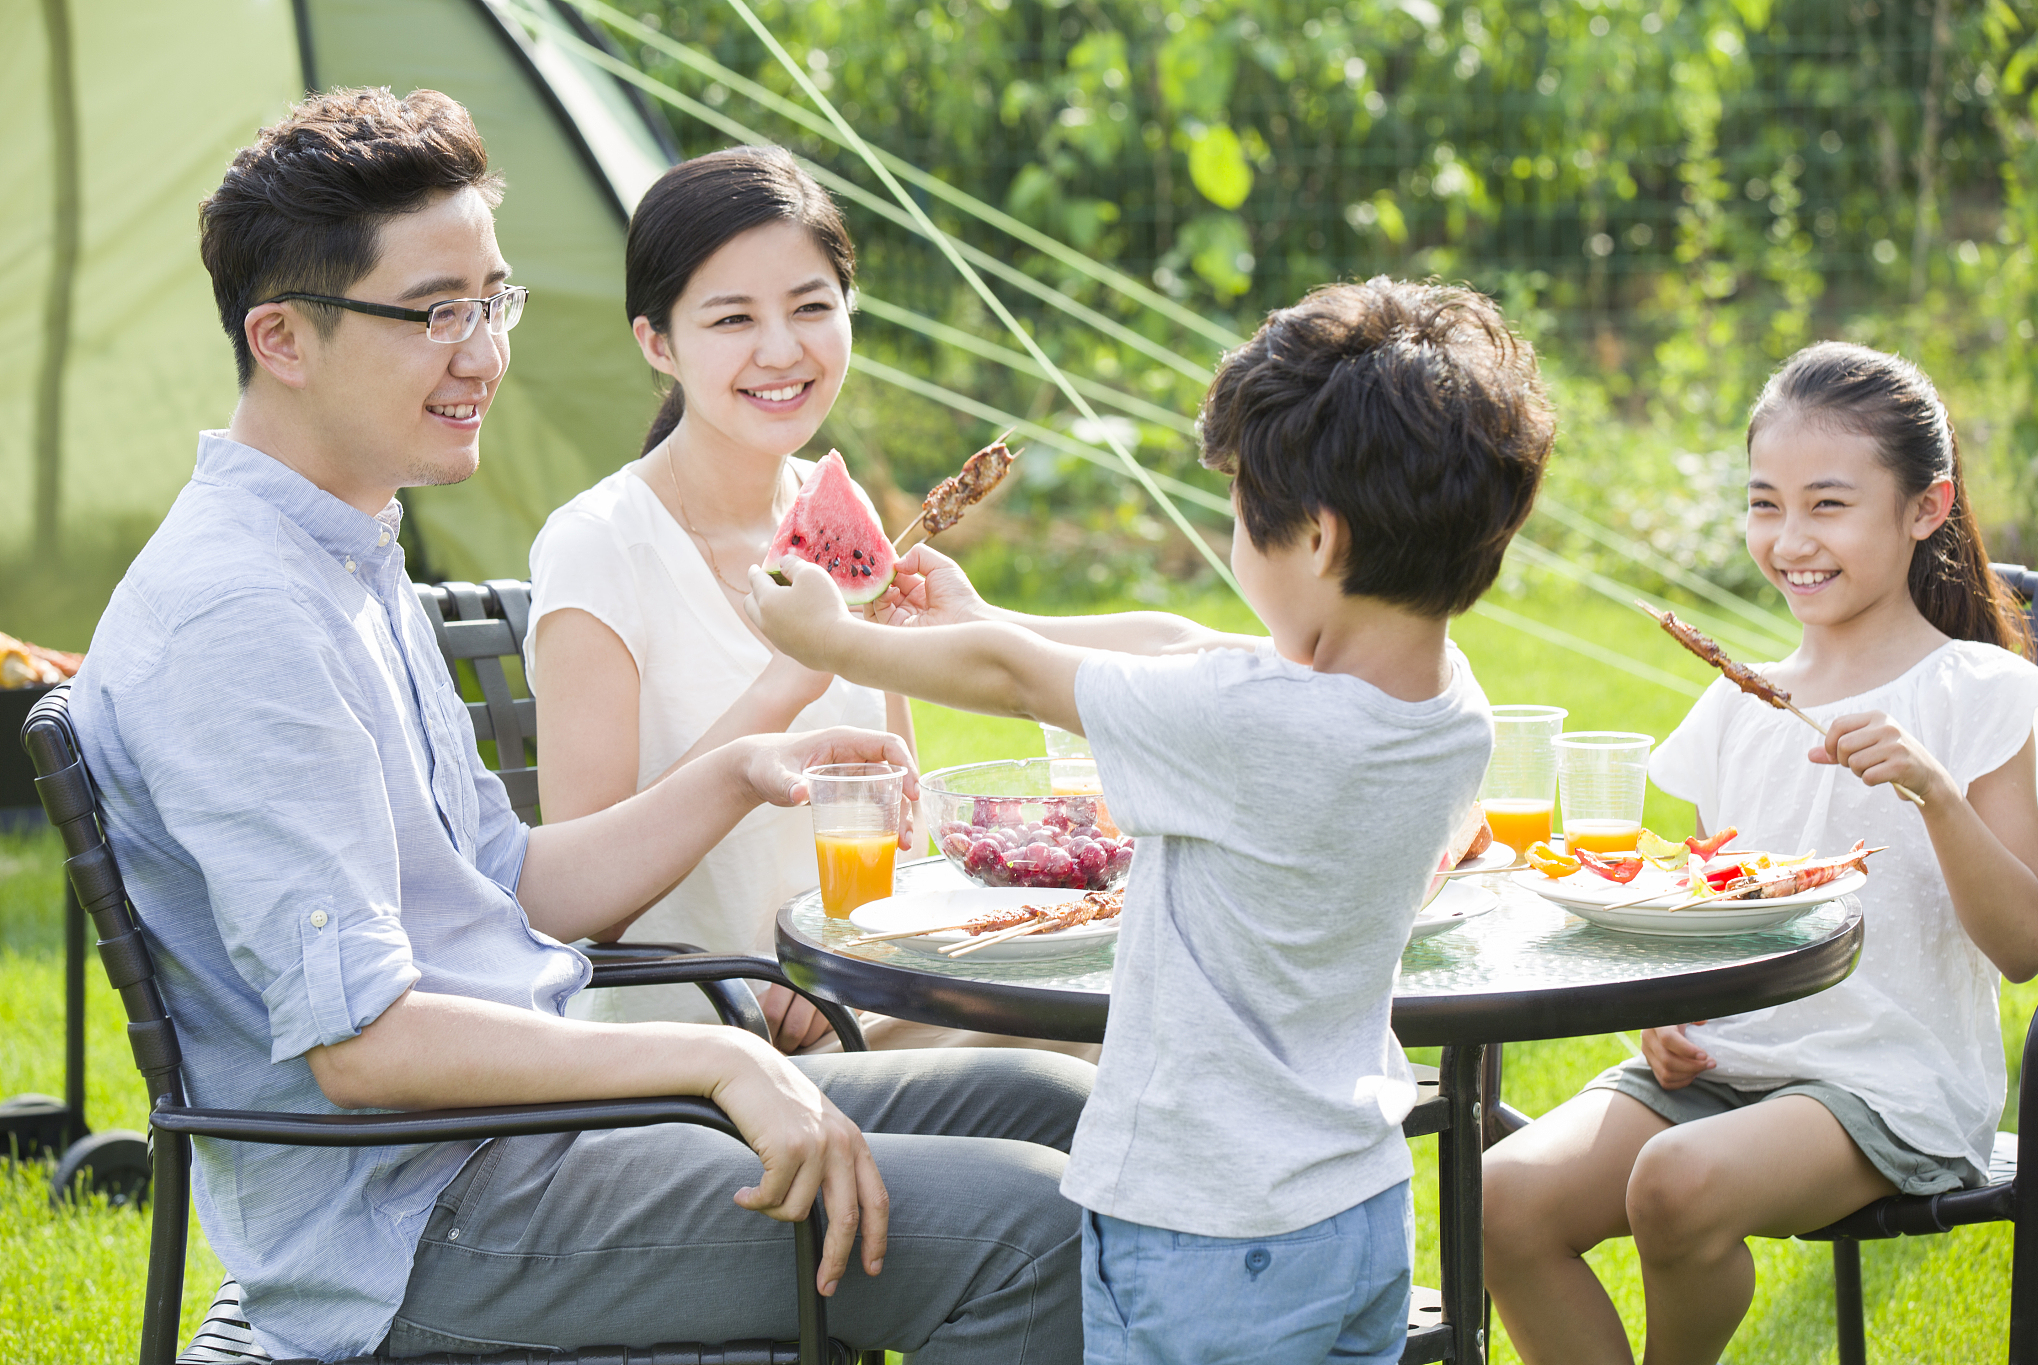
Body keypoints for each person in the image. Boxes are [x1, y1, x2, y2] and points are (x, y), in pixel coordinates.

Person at [67, 87, 1089, 1363]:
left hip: (534, 1134)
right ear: (282, 338)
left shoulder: (344, 551)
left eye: (492, 301)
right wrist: (715, 1064)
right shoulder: (240, 616)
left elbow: (514, 883)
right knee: (1033, 1230)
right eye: (435, 312)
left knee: (1053, 1107)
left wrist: (737, 769)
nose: (483, 355)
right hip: (428, 1216)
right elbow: (364, 1048)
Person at [749, 277, 1556, 1364]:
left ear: (1318, 539)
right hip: (1355, 1207)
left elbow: (1019, 681)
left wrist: (837, 642)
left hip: (1204, 1236)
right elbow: (1184, 646)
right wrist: (984, 614)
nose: (1232, 534)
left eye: (1241, 510)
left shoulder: (1248, 727)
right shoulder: (1448, 703)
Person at [1482, 342, 2038, 1365]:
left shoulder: (1980, 692)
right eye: (1764, 504)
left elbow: (2023, 947)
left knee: (1674, 1182)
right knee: (1499, 1196)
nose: (1790, 540)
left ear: (1924, 509)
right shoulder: (1734, 705)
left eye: (1828, 505)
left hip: (1884, 1081)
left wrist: (1933, 792)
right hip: (1724, 1065)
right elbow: (1706, 908)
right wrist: (1659, 1012)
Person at [527, 146, 1094, 1058]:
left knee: (1139, 1016)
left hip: (862, 1001)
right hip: (703, 1043)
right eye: (732, 318)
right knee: (1076, 1065)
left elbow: (900, 820)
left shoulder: (841, 509)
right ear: (657, 343)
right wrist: (786, 680)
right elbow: (582, 902)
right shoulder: (599, 547)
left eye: (811, 307)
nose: (783, 350)